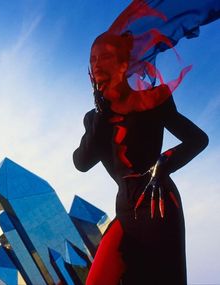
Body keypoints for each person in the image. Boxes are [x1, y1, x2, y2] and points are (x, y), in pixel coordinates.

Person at [73, 31, 208, 285]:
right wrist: (101, 115)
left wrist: (163, 163)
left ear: (123, 62)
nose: (98, 64)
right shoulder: (94, 118)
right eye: (93, 59)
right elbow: (81, 163)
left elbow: (198, 139)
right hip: (124, 209)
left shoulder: (153, 101)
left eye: (104, 56)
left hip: (159, 204)